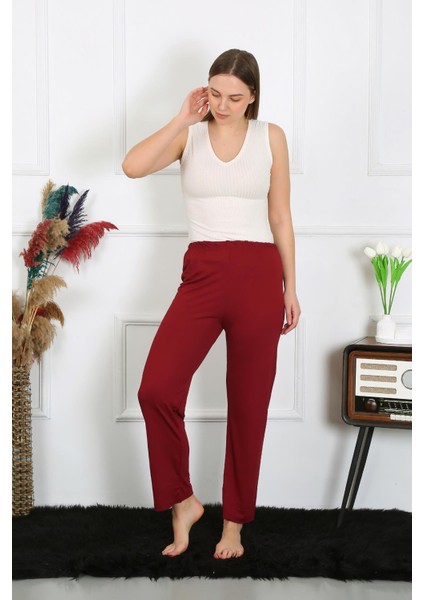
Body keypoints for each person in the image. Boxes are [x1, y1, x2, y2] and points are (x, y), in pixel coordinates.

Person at [122, 48, 301, 560]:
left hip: (258, 276)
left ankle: (234, 524)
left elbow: (280, 216)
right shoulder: (190, 134)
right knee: (156, 389)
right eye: (216, 93)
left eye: (235, 98)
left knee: (249, 405)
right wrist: (181, 118)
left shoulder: (271, 137)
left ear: (253, 97)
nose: (223, 105)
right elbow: (132, 167)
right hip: (201, 275)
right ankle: (183, 502)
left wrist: (290, 286)